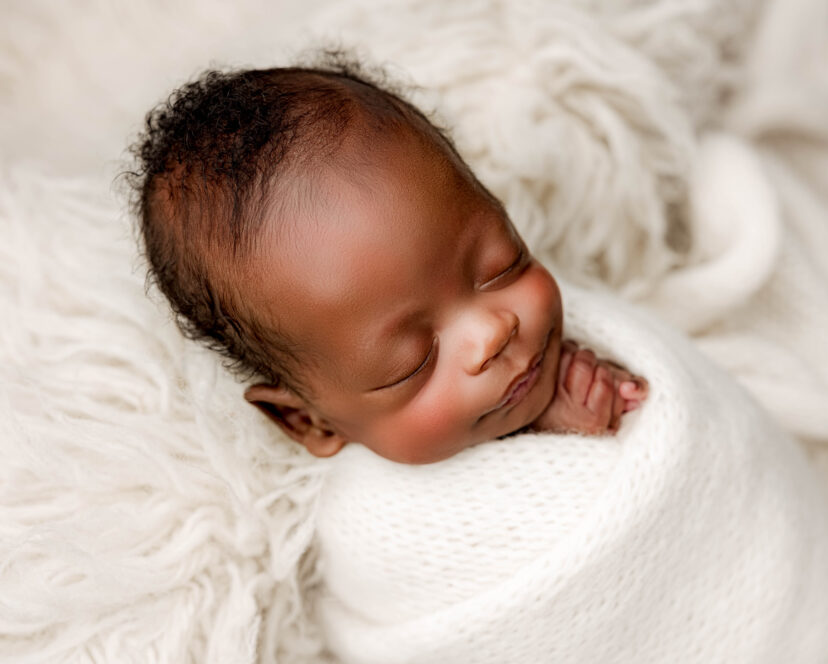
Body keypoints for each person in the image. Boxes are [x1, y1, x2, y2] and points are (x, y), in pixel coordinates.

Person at [130, 55, 647, 465]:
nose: (492, 334)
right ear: (309, 422)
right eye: (414, 363)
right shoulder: (381, 520)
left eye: (502, 267)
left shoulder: (581, 335)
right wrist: (569, 450)